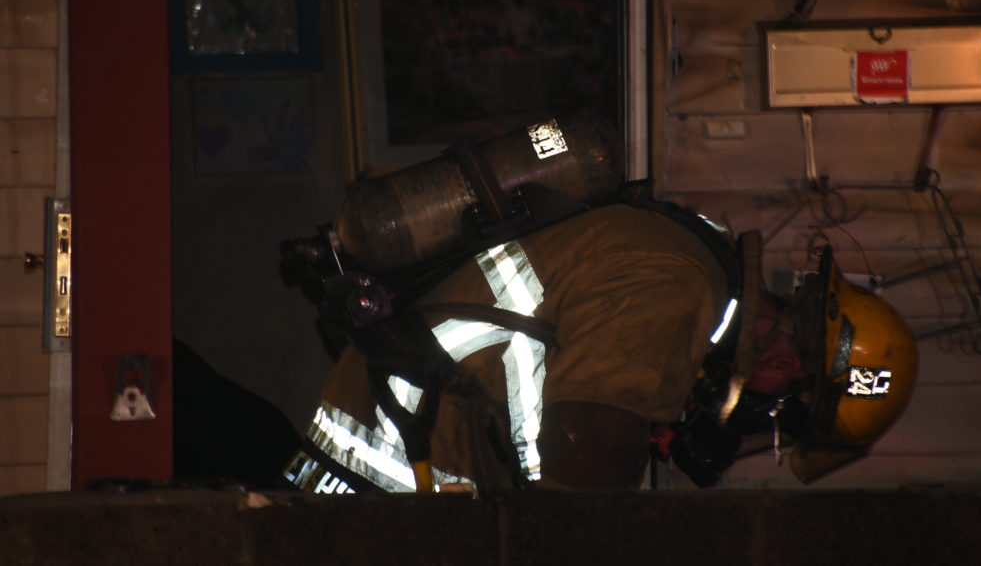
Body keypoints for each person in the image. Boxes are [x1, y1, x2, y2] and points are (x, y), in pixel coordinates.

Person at [280, 185, 919, 494]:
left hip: (391, 440)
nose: (763, 416)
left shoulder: (691, 270)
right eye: (783, 412)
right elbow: (588, 467)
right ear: (786, 362)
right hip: (399, 467)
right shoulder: (676, 291)